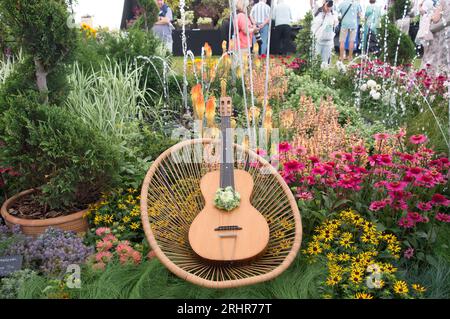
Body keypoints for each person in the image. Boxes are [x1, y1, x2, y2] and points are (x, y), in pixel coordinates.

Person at [312, 1, 338, 68]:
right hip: (318, 41)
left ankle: (324, 75)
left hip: (328, 41)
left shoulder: (333, 14)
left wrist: (331, 14)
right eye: (328, 5)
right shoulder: (318, 12)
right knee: (316, 60)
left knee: (325, 62)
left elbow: (336, 23)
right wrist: (324, 11)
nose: (329, 8)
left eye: (330, 6)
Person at [427, 0, 450, 74]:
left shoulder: (442, 1)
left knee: (439, 60)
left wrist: (431, 17)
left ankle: (439, 78)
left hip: (443, 35)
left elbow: (435, 19)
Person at [416, 0, 435, 67]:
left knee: (427, 50)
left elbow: (422, 12)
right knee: (427, 50)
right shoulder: (429, 2)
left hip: (427, 26)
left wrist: (420, 6)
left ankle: (425, 66)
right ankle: (425, 66)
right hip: (427, 26)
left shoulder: (427, 2)